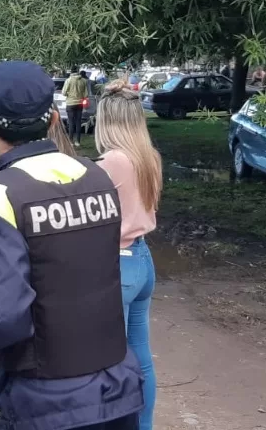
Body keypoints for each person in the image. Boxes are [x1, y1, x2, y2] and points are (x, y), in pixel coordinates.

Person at [0, 60, 144, 430]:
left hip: (47, 403)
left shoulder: (0, 196)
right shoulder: (97, 177)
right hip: (116, 392)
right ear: (54, 119)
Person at [95, 81, 163, 430]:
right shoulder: (148, 156)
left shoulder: (111, 162)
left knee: (110, 360)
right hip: (142, 259)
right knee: (140, 356)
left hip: (117, 264)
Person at [62, 69, 90, 144]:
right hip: (79, 104)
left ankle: (70, 141)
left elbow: (63, 93)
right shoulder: (84, 81)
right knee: (78, 122)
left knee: (71, 122)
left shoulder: (68, 80)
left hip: (70, 104)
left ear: (71, 72)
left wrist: (69, 94)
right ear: (77, 71)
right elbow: (86, 94)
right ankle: (78, 141)